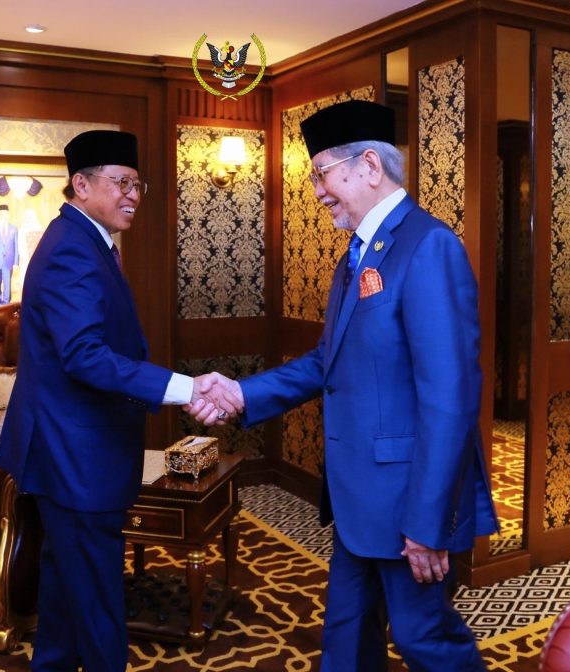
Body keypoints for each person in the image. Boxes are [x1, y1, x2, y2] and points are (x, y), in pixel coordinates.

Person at [190, 100, 498, 671]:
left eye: (321, 174)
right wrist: (240, 394)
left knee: (424, 642)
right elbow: (326, 363)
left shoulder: (428, 246)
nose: (317, 191)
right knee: (347, 642)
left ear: (369, 166)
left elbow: (451, 400)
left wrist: (427, 524)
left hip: (407, 506)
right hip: (359, 501)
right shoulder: (357, 256)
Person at [0, 129, 237, 672]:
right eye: (121, 182)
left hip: (72, 455)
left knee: (65, 594)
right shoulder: (72, 249)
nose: (132, 195)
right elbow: (84, 355)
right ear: (81, 185)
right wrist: (186, 388)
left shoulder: (84, 239)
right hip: (75, 459)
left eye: (137, 185)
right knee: (100, 601)